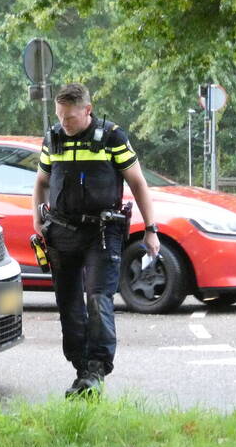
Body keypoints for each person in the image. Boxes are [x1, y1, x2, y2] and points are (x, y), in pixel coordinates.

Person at [31, 83, 160, 398]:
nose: (65, 122)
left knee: (98, 297)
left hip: (102, 233)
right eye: (61, 116)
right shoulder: (54, 138)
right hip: (61, 231)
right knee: (69, 303)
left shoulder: (113, 138)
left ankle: (96, 370)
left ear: (87, 111)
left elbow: (138, 183)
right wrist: (37, 221)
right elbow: (42, 183)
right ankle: (81, 369)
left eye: (71, 117)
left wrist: (151, 228)